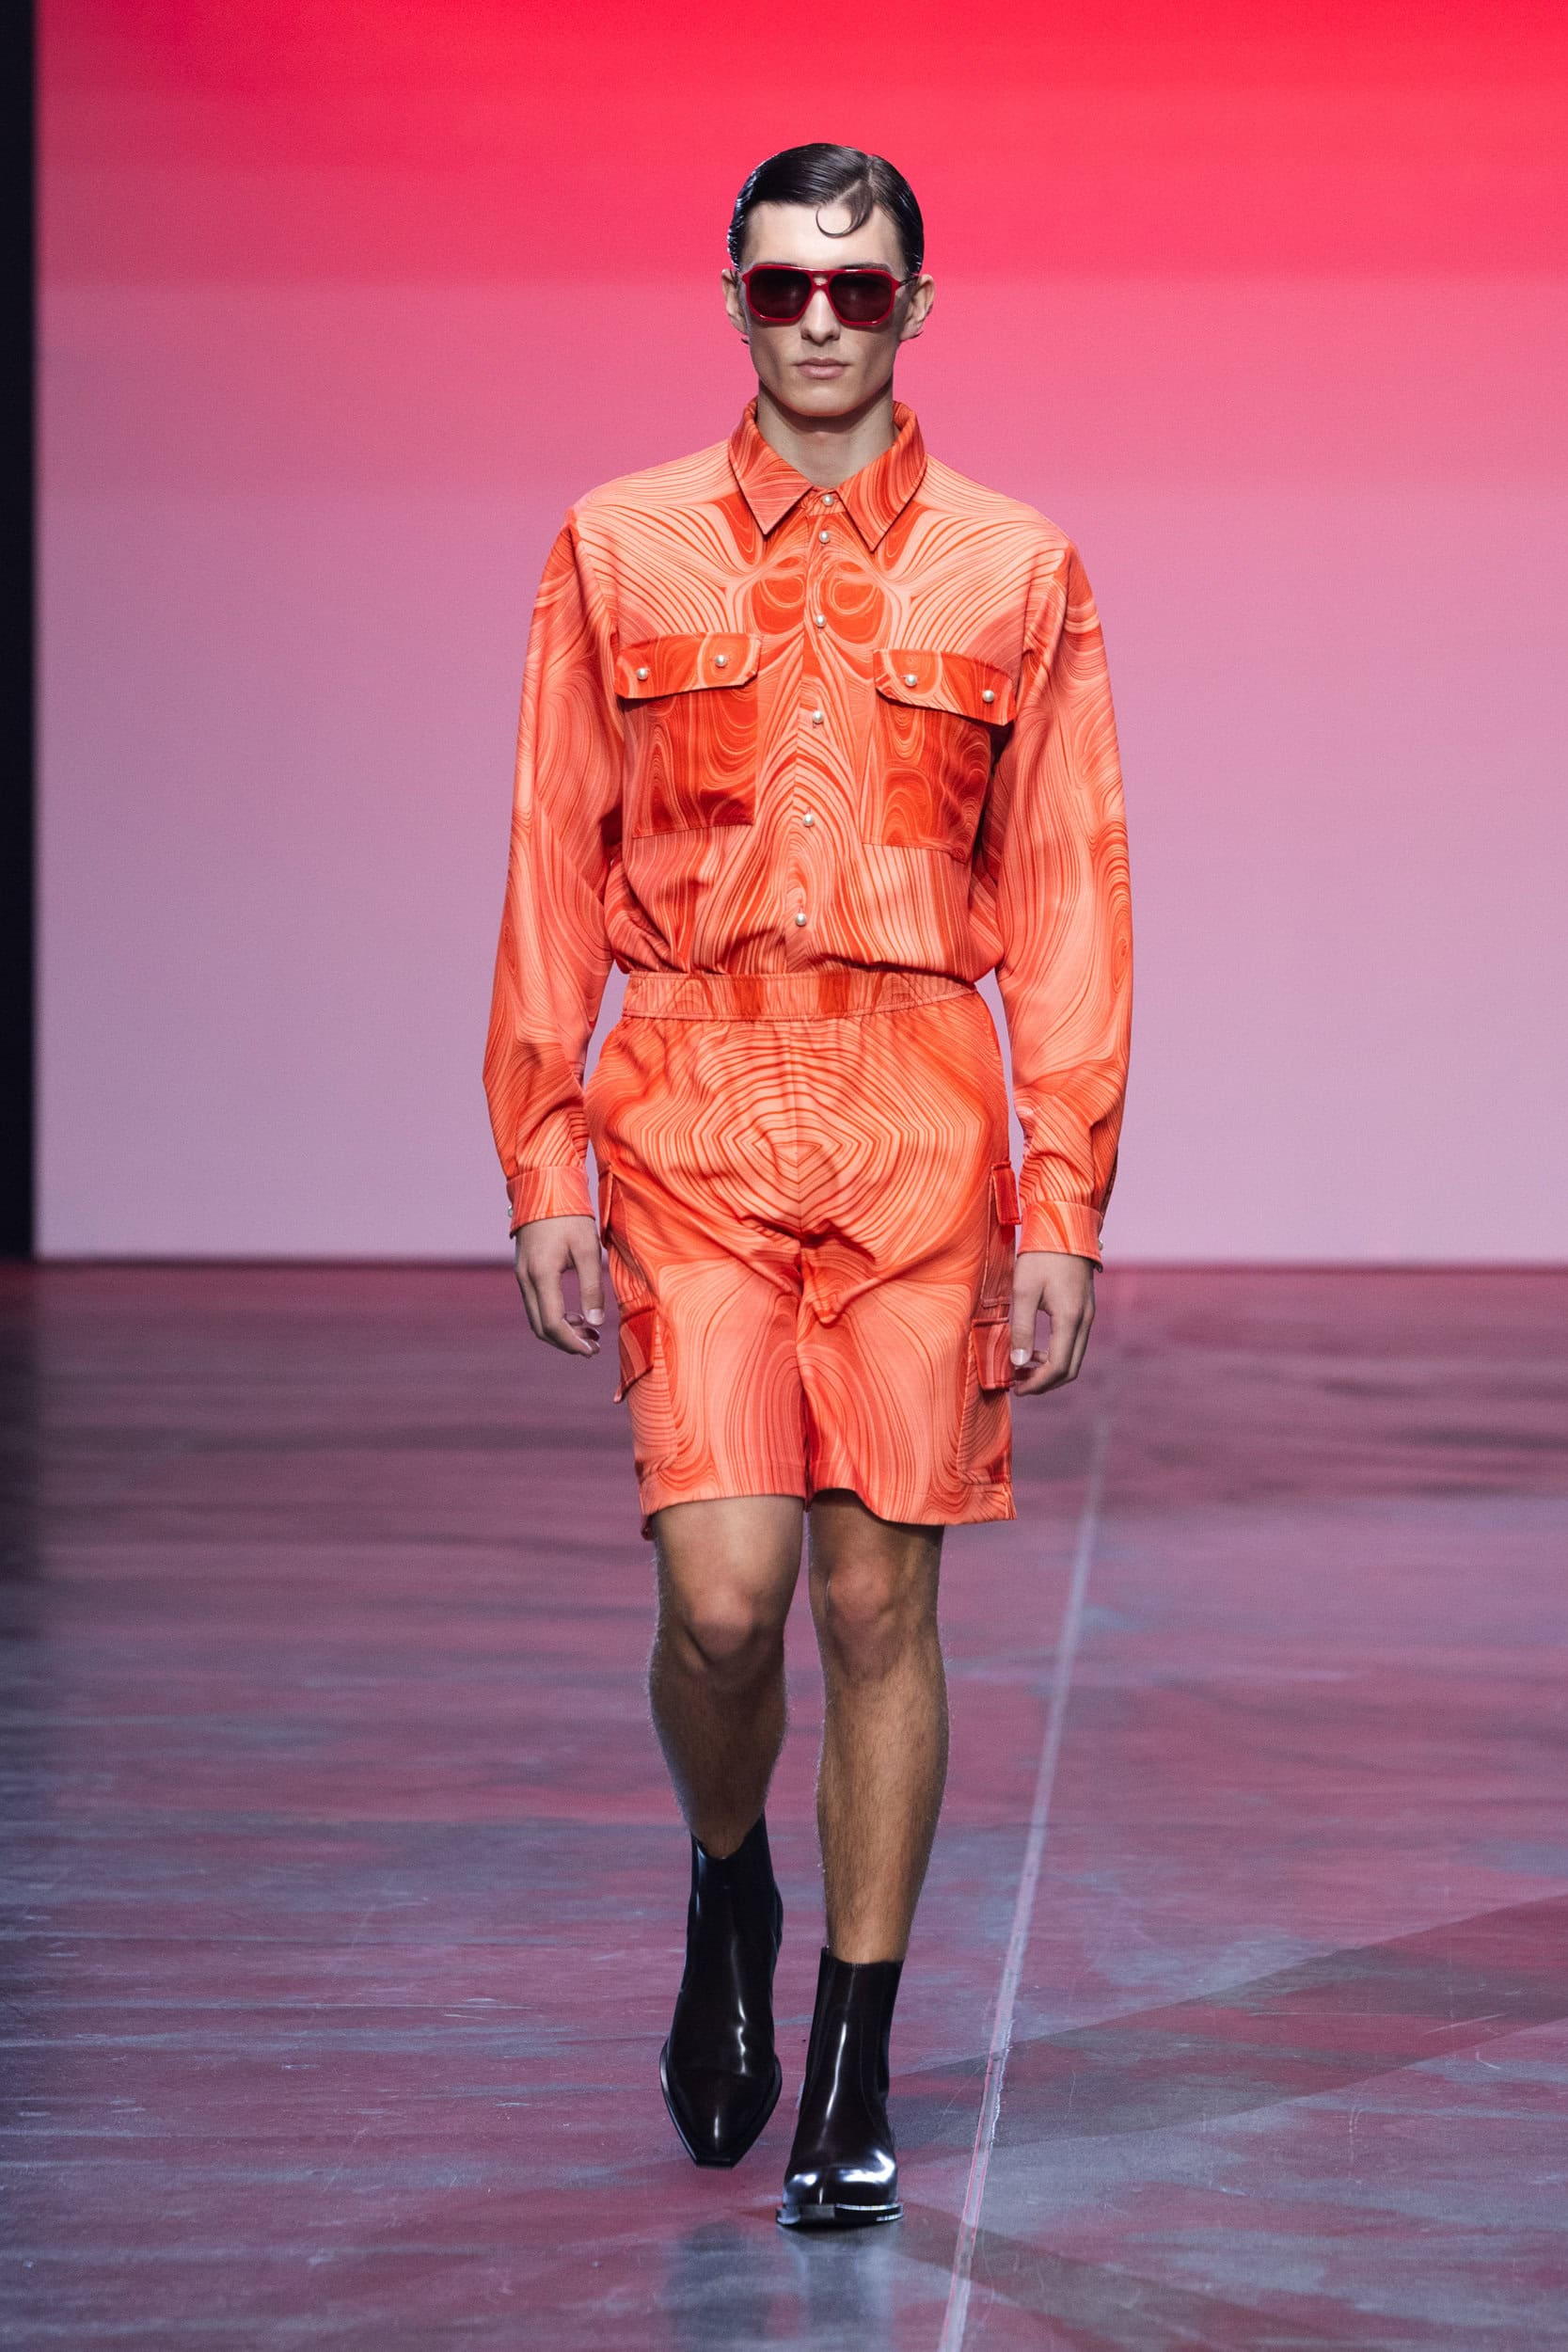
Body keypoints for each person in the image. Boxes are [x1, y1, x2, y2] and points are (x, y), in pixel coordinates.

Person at [483, 142, 1132, 2229]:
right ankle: (730, 1876)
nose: (823, 321)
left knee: (877, 1600)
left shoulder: (1020, 566)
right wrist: (539, 1154)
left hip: (922, 1110)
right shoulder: (618, 544)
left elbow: (1070, 896)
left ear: (919, 305)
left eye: (858, 288)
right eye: (786, 287)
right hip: (685, 1096)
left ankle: (853, 2054)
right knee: (722, 1599)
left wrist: (1066, 1196)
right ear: (734, 301)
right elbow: (551, 856)